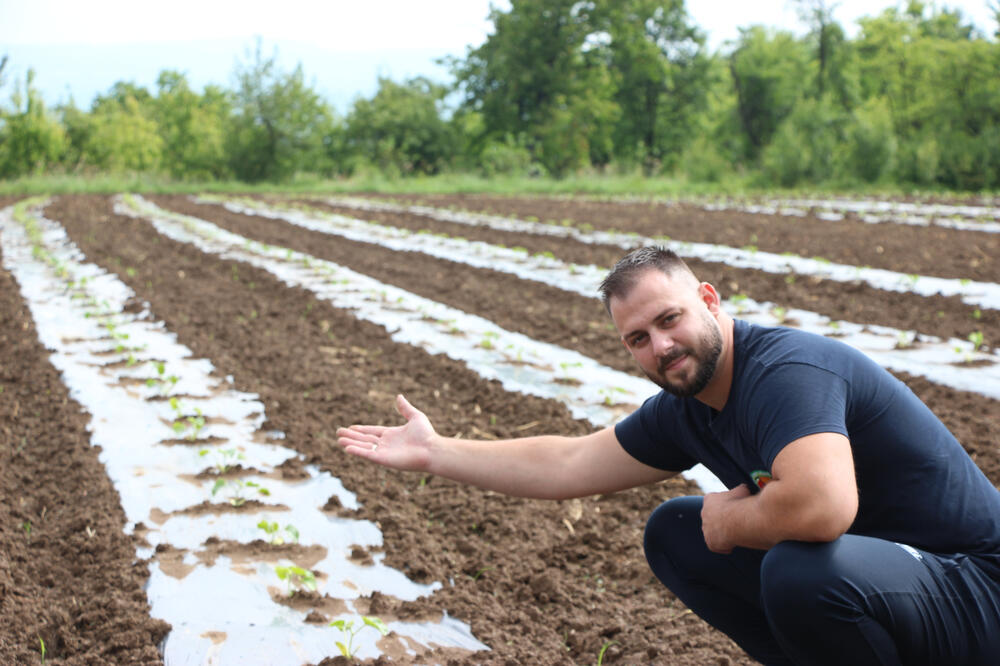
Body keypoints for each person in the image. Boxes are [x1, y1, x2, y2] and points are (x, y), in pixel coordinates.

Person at [338, 246, 1000, 665]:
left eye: (671, 319)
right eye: (638, 338)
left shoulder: (786, 371)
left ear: (710, 301)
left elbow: (825, 505)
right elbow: (569, 465)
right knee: (676, 533)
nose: (660, 346)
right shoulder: (687, 408)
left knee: (798, 570)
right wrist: (436, 452)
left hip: (976, 588)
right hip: (899, 591)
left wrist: (733, 521)